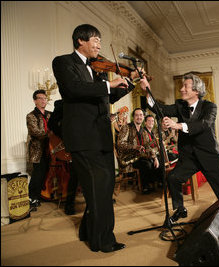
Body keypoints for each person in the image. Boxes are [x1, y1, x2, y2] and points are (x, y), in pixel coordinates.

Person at [52, 24, 136, 253]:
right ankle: (103, 241)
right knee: (99, 189)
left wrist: (128, 83)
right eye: (96, 40)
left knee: (104, 188)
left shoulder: (97, 70)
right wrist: (108, 84)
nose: (99, 44)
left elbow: (105, 98)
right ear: (81, 40)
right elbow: (74, 89)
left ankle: (87, 230)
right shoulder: (63, 62)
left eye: (100, 40)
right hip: (82, 137)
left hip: (101, 137)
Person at [140, 72, 219, 243]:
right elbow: (159, 109)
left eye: (185, 86)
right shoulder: (180, 105)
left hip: (209, 157)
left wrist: (177, 125)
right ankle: (180, 209)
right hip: (189, 158)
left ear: (196, 91)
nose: (181, 89)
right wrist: (147, 90)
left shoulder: (210, 107)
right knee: (173, 178)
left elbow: (204, 124)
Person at [117, 108, 160, 194]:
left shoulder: (144, 131)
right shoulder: (126, 127)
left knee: (155, 160)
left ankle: (156, 183)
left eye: (141, 115)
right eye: (136, 115)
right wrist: (134, 147)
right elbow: (120, 143)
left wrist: (155, 158)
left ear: (143, 117)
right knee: (146, 163)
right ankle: (145, 187)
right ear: (133, 117)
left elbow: (148, 147)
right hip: (128, 158)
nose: (139, 117)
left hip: (140, 156)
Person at [26, 89, 52, 210]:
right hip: (37, 150)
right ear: (35, 101)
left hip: (50, 148)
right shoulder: (31, 115)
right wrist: (50, 134)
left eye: (45, 98)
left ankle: (41, 195)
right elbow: (35, 131)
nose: (43, 100)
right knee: (37, 174)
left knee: (46, 173)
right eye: (40, 98)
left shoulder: (50, 114)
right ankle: (32, 198)